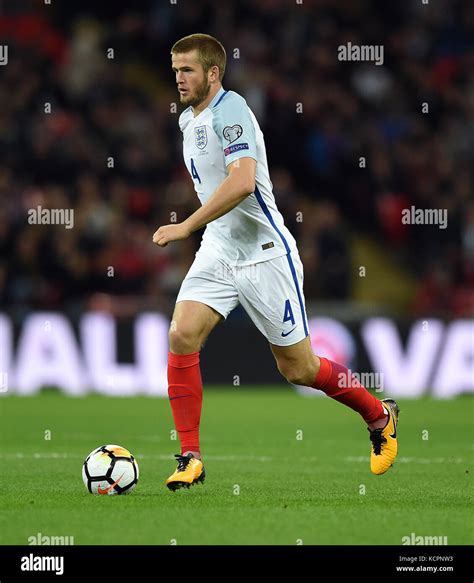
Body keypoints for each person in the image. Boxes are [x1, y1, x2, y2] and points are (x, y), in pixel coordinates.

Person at [153, 34, 399, 491]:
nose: (179, 79)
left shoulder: (233, 111)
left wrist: (185, 225)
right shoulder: (188, 120)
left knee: (298, 369)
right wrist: (202, 231)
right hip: (220, 248)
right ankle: (190, 457)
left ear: (213, 73)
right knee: (181, 334)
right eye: (174, 70)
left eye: (187, 70)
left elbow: (243, 182)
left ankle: (379, 415)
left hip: (266, 255)